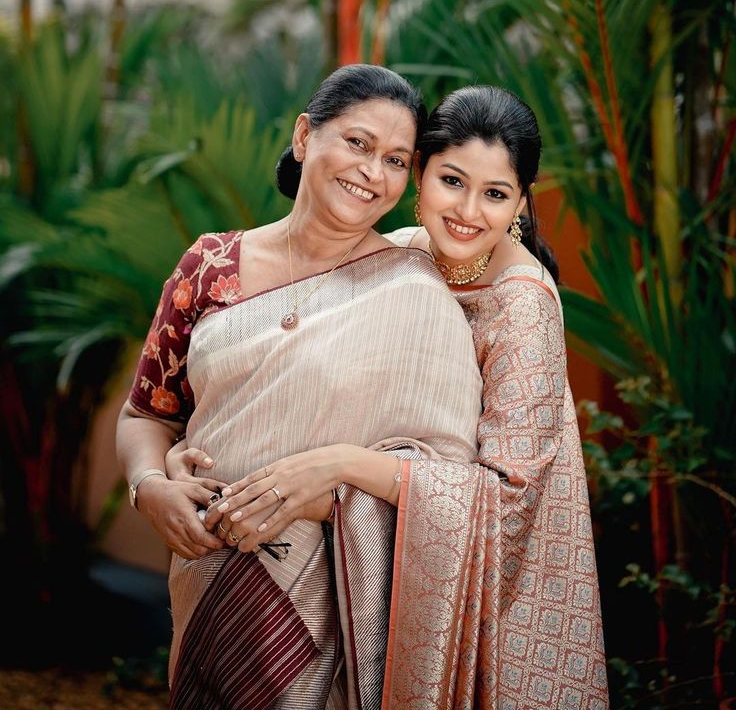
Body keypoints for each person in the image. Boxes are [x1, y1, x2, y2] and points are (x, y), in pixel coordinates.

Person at [179, 85, 609, 708]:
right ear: (420, 175)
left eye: (495, 194)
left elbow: (508, 501)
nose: (467, 211)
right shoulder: (399, 256)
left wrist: (341, 466)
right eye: (451, 180)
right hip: (301, 563)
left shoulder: (522, 306)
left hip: (487, 608)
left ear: (521, 201)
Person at [115, 64, 484, 710]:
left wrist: (330, 486)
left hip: (328, 609)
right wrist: (150, 488)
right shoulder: (209, 265)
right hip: (205, 580)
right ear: (305, 136)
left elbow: (450, 484)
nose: (374, 172)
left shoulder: (414, 289)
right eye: (359, 144)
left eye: (397, 160)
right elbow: (146, 414)